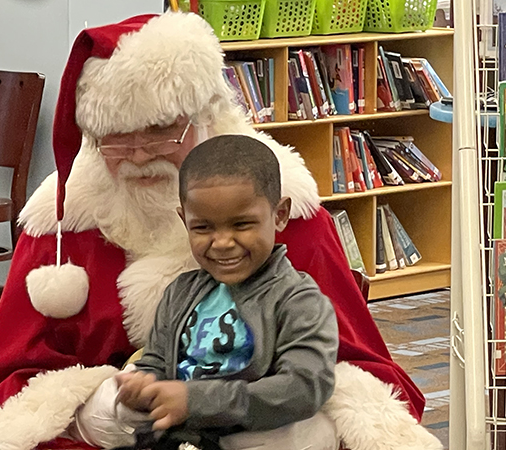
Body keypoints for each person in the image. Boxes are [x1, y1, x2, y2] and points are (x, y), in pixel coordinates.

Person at [0, 12, 441, 450]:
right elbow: (5, 385)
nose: (136, 155)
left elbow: (362, 371)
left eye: (158, 130)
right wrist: (108, 402)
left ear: (204, 115)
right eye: (114, 137)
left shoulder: (287, 216)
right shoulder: (62, 225)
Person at [72, 135, 339, 449]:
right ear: (185, 220)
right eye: (203, 227)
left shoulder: (299, 299)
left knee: (307, 433)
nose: (222, 242)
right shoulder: (180, 292)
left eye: (242, 224)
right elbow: (156, 363)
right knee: (97, 408)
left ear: (279, 215)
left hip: (249, 428)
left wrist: (195, 401)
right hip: (178, 429)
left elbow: (304, 387)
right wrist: (141, 388)